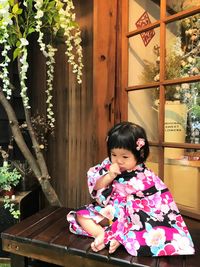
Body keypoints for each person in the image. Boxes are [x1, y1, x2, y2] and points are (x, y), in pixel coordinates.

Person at [67, 121, 195, 256]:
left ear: (139, 154)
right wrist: (109, 176)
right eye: (114, 154)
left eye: (125, 156)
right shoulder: (108, 165)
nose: (118, 160)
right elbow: (96, 186)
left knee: (143, 230)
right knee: (81, 215)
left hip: (133, 215)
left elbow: (158, 200)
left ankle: (119, 237)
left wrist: (131, 209)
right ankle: (102, 234)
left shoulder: (144, 174)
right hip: (111, 212)